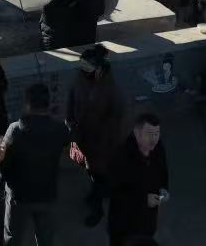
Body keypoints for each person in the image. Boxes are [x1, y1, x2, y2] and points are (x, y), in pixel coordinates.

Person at [1, 83, 71, 246]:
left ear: (27, 104)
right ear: (47, 103)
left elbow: (4, 163)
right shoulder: (60, 129)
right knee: (45, 237)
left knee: (12, 236)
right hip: (46, 193)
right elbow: (68, 149)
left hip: (19, 195)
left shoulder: (15, 130)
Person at [67, 44, 126, 227]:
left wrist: (101, 139)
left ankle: (97, 209)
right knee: (93, 172)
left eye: (87, 68)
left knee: (98, 174)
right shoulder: (81, 77)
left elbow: (115, 119)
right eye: (82, 66)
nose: (83, 71)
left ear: (99, 68)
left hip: (101, 142)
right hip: (83, 136)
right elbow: (71, 98)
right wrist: (70, 121)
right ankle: (100, 192)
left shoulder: (110, 88)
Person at [108, 113, 169, 246]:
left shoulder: (158, 149)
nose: (153, 139)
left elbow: (163, 172)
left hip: (147, 222)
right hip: (125, 224)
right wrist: (143, 200)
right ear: (137, 133)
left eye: (156, 134)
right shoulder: (121, 157)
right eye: (149, 134)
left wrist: (164, 188)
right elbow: (114, 192)